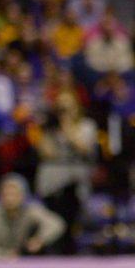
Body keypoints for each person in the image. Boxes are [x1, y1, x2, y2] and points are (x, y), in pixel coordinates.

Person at [34, 90, 97, 255]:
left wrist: (68, 127)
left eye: (68, 107)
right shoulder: (51, 128)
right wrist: (52, 128)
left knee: (72, 223)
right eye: (60, 107)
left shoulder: (86, 125)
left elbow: (84, 148)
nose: (64, 111)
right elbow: (47, 153)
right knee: (53, 221)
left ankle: (71, 252)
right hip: (52, 182)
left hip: (75, 182)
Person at [0, 174, 66, 259]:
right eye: (6, 194)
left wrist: (39, 239)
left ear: (23, 196)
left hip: (25, 261)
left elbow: (56, 224)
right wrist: (3, 257)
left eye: (14, 194)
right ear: (0, 196)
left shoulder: (31, 211)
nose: (10, 199)